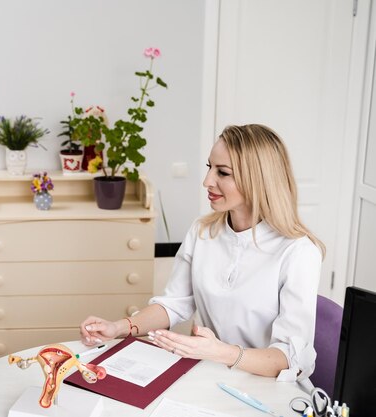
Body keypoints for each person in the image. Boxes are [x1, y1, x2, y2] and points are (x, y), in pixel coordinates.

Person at [80, 124, 324, 381]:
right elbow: (174, 304)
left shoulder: (298, 252)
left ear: (258, 180)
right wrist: (119, 327)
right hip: (211, 374)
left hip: (266, 386)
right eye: (210, 167)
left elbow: (290, 359)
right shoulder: (203, 231)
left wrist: (222, 352)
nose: (207, 181)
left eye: (223, 172)